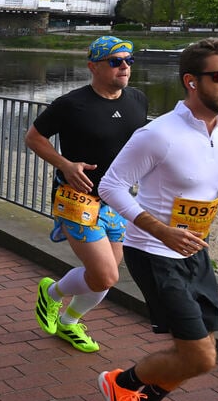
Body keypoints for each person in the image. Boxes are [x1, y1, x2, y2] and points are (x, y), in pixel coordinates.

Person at [96, 38, 218, 401]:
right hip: (154, 252)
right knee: (202, 358)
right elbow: (110, 186)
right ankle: (120, 384)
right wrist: (159, 229)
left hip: (195, 252)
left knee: (195, 350)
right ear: (192, 81)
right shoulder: (158, 134)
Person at [25, 35, 147, 354]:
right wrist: (65, 165)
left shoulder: (137, 99)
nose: (124, 67)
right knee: (105, 275)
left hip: (117, 200)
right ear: (93, 66)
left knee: (104, 276)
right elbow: (34, 137)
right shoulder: (71, 104)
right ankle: (52, 295)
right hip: (78, 200)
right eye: (115, 61)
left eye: (128, 61)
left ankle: (68, 322)